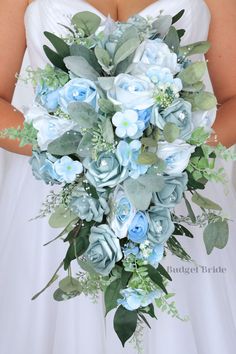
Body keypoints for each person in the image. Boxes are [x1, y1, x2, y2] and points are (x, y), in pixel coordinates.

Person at [0, 1, 235, 353]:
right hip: (55, 196)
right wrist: (74, 150)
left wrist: (167, 150)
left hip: (170, 194)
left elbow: (232, 98)